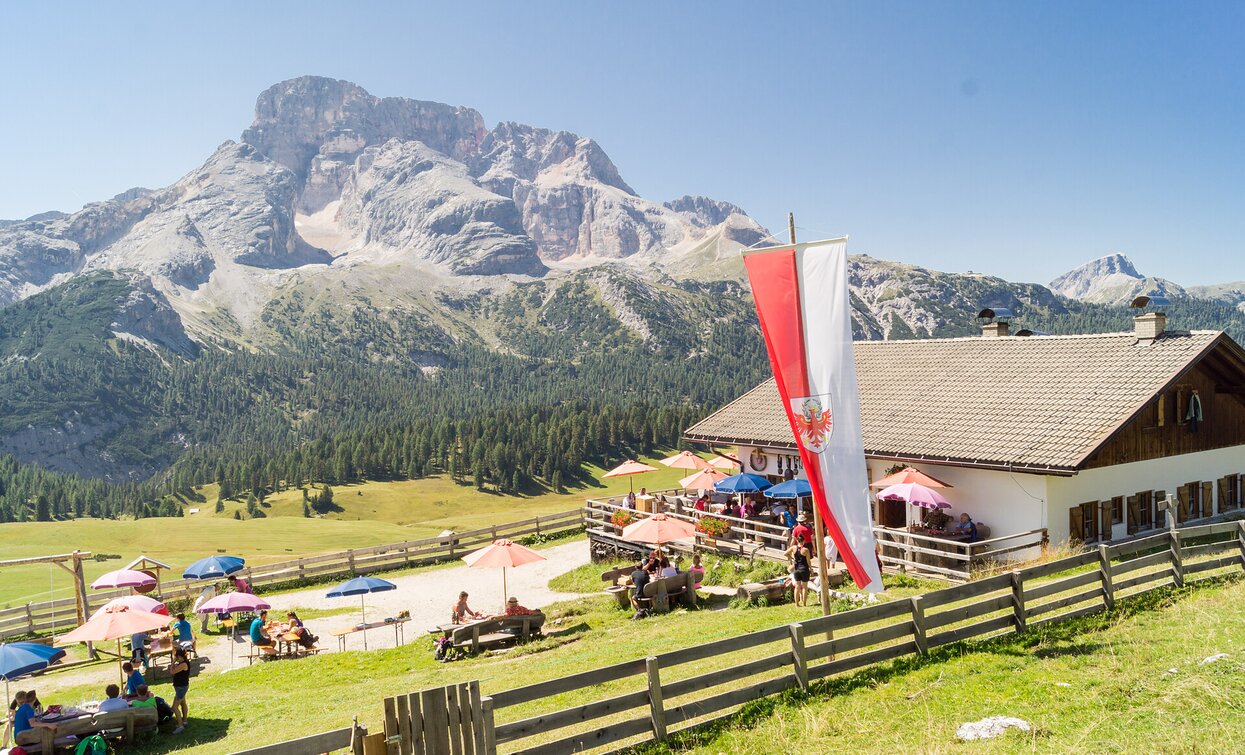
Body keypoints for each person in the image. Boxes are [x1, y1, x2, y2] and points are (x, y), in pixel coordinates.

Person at [169, 645, 190, 734]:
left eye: (176, 657)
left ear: (179, 656)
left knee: (174, 707)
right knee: (183, 703)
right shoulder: (182, 663)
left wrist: (173, 662)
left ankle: (180, 726)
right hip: (181, 687)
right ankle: (184, 721)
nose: (176, 658)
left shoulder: (184, 664)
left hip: (181, 688)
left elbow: (172, 672)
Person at [785, 538, 812, 607]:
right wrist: (811, 569)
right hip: (804, 569)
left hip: (797, 570)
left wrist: (791, 558)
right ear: (804, 541)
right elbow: (808, 561)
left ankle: (796, 604)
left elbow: (785, 553)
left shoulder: (794, 548)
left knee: (797, 587)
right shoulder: (805, 550)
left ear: (797, 541)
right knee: (804, 587)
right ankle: (804, 604)